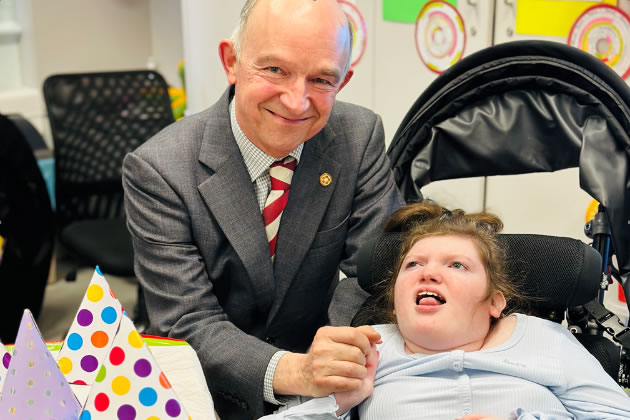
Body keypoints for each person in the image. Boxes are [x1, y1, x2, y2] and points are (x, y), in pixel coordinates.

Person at [121, 0, 403, 418]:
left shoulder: (358, 137)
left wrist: (332, 356)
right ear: (231, 62)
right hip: (210, 389)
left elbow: (379, 270)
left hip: (328, 388)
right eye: (275, 70)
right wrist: (295, 370)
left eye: (322, 79)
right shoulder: (159, 169)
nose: (296, 101)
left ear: (343, 81)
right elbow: (187, 320)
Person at [260, 201, 630, 419]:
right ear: (394, 299)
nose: (430, 273)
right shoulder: (367, 347)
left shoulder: (545, 339)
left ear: (495, 301)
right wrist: (335, 406)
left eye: (456, 265)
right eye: (413, 265)